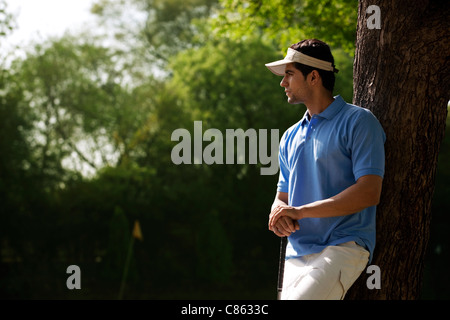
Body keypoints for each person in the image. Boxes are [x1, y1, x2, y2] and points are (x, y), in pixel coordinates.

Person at [265, 39, 386, 300]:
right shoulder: (289, 137)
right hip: (296, 254)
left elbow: (369, 192)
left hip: (343, 246)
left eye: (289, 74)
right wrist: (278, 214)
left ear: (314, 77)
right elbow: (282, 197)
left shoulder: (359, 122)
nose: (282, 83)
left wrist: (299, 212)